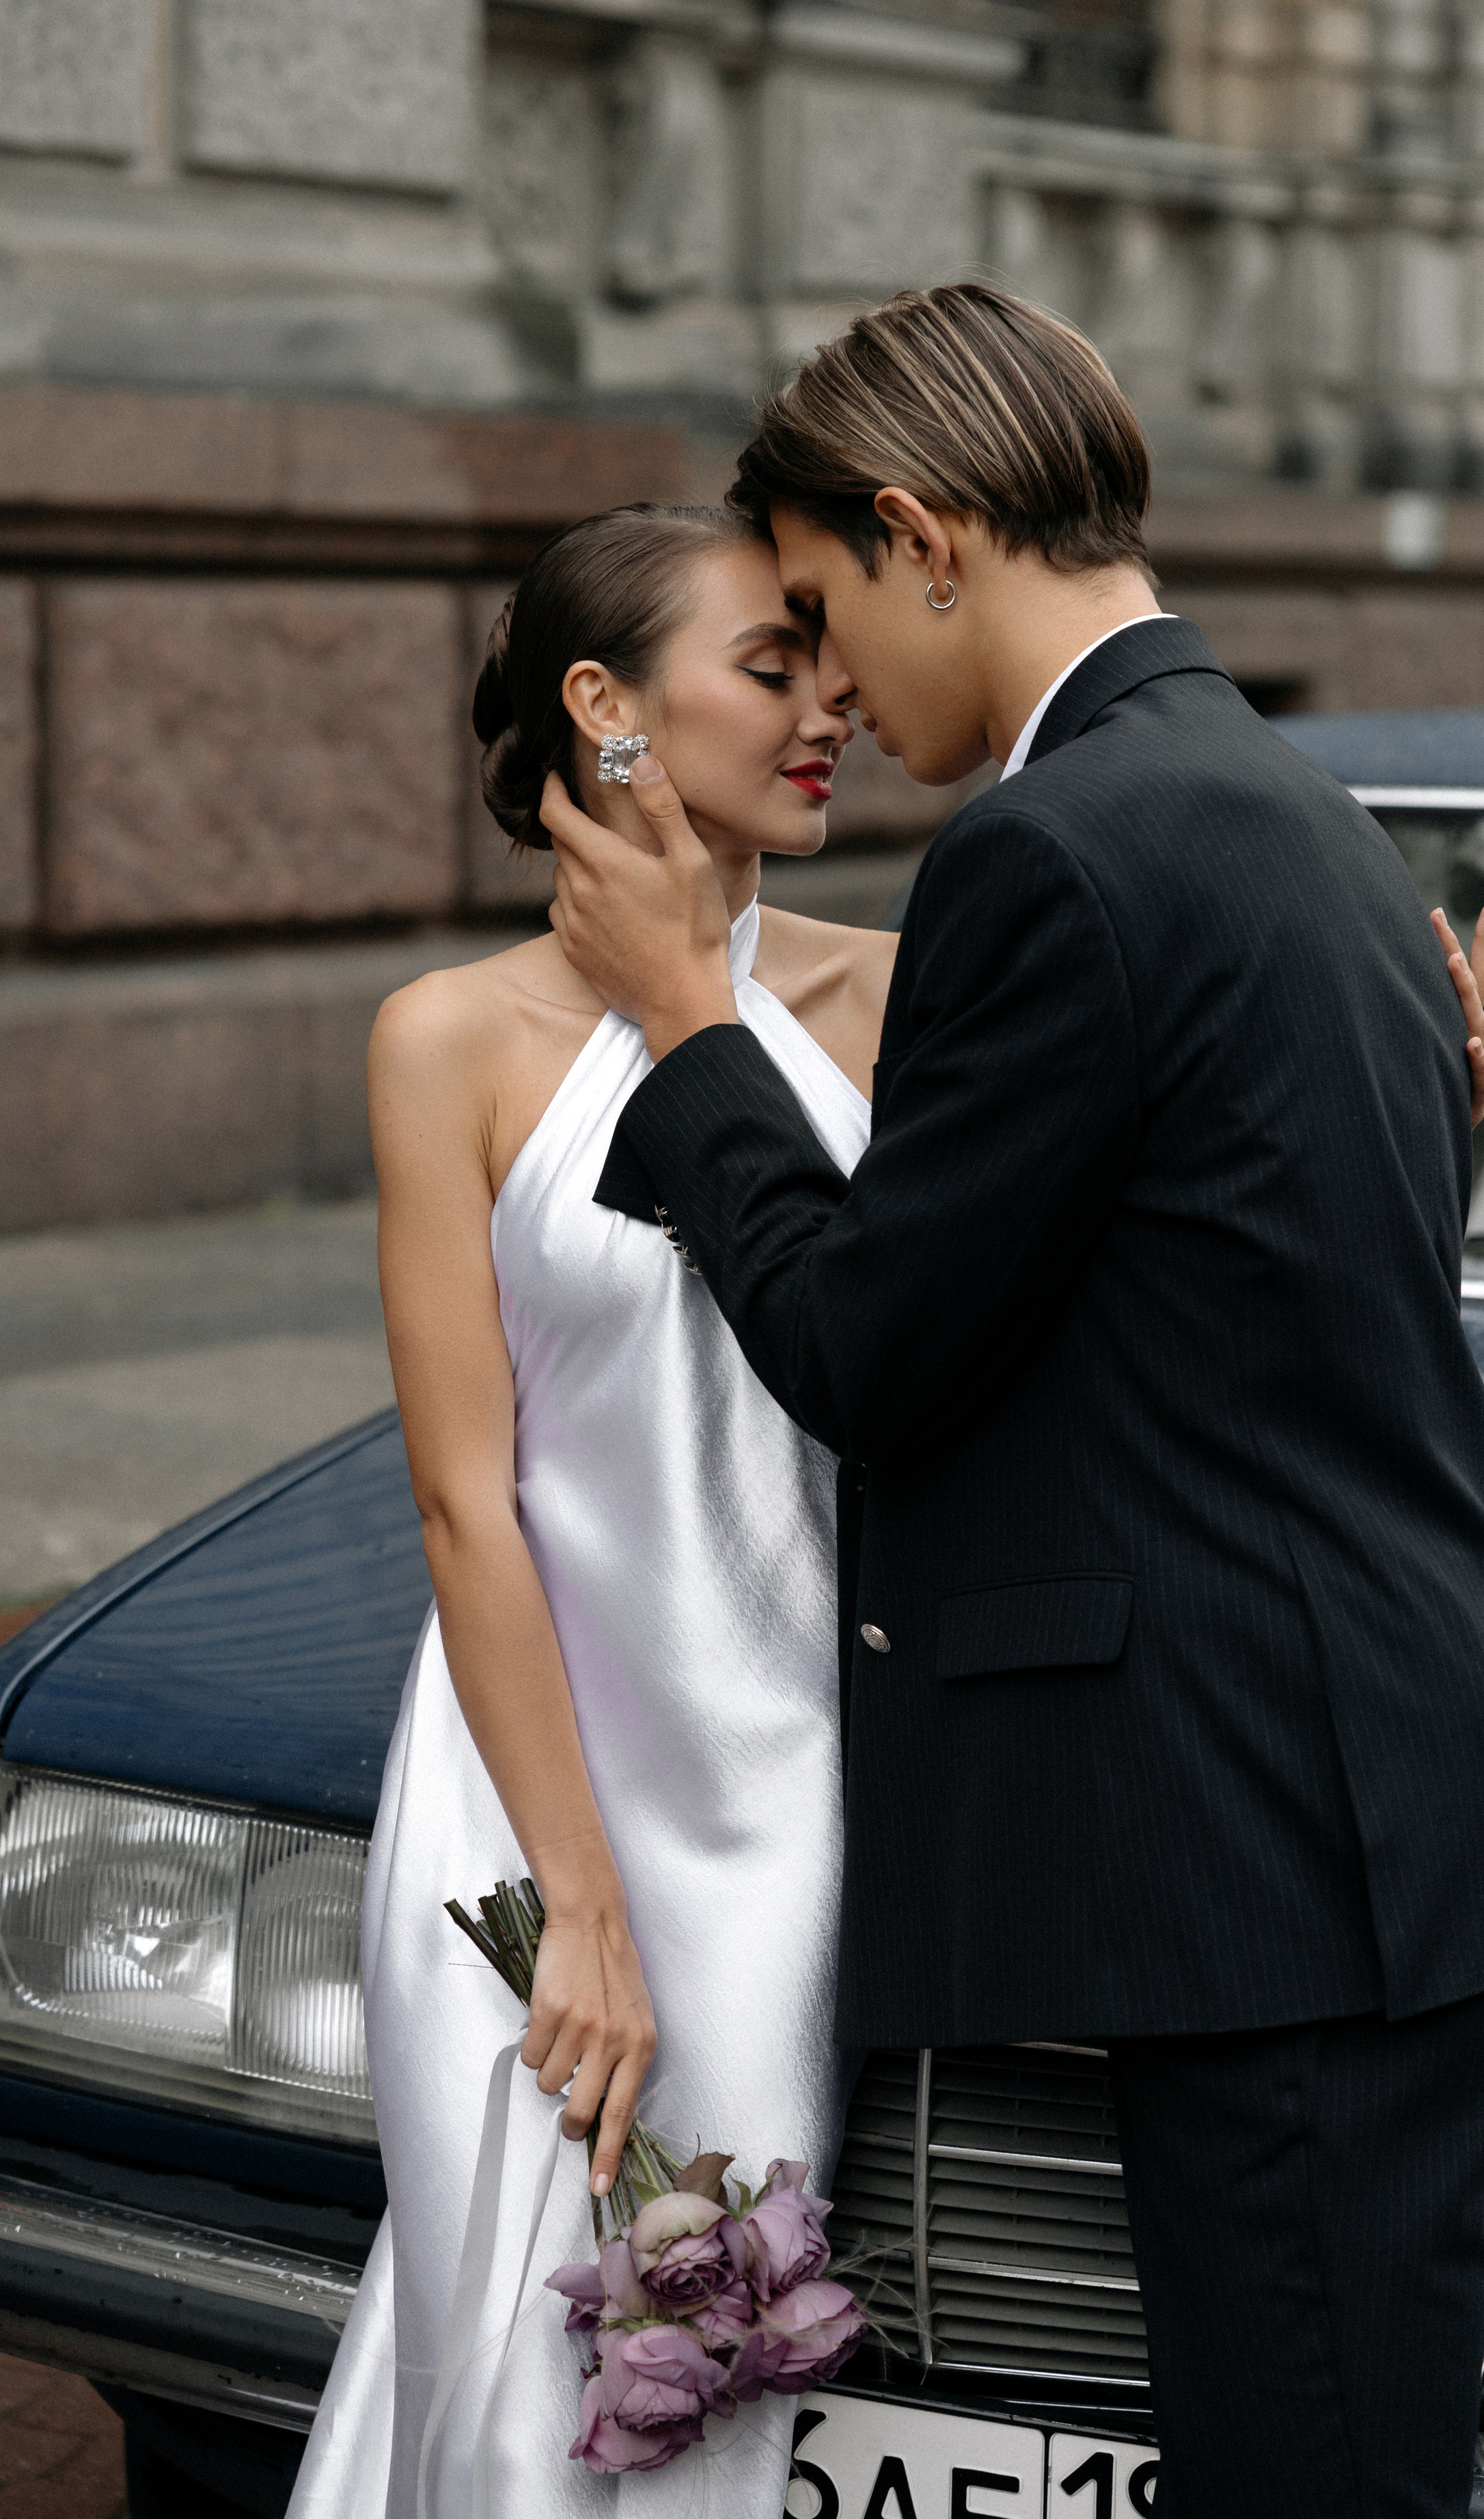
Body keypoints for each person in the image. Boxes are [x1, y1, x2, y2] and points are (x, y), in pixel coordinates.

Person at [535, 286, 1484, 2519]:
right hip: (1371, 1809)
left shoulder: (1056, 846)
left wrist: (680, 1030)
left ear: (929, 540)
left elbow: (872, 1349)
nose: (830, 687)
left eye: (824, 613)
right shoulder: (1292, 807)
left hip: (1283, 1848)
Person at [286, 504, 895, 2519]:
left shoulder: (894, 997)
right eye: (773, 664)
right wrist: (580, 1909)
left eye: (830, 663)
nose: (833, 709)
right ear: (602, 707)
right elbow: (468, 1500)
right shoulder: (445, 1041)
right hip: (523, 1805)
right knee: (517, 2362)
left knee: (712, 2408)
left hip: (789, 1801)